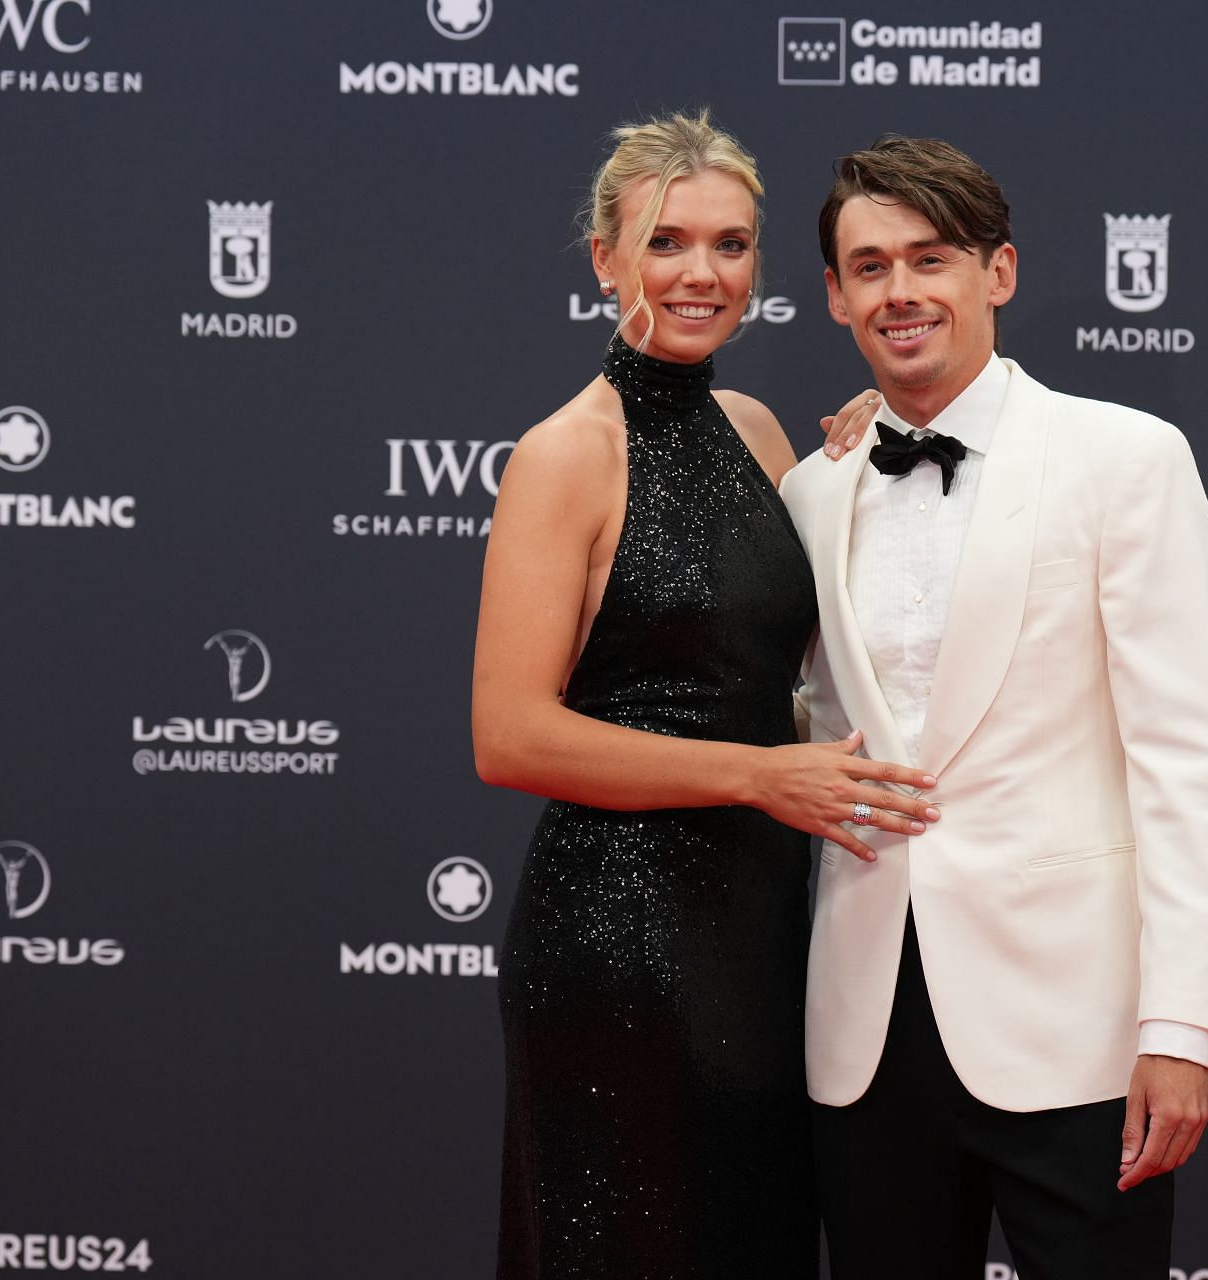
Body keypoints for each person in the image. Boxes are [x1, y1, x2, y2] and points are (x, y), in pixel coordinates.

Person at [469, 111, 936, 1280]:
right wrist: (761, 774)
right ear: (604, 258)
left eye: (730, 246)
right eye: (667, 242)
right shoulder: (566, 453)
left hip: (766, 926)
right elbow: (510, 734)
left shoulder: (760, 430)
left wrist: (859, 452)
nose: (701, 273)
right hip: (620, 937)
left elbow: (786, 651)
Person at [780, 135, 1208, 1279]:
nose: (902, 292)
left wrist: (1180, 1027)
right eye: (871, 266)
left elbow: (1185, 757)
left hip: (1077, 1033)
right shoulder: (812, 486)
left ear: (999, 272)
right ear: (835, 295)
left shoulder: (1126, 457)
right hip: (865, 1032)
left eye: (930, 259)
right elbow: (806, 729)